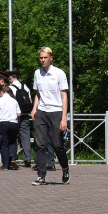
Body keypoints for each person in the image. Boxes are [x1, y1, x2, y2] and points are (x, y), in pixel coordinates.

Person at [30, 47, 70, 186]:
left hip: (56, 112)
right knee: (39, 144)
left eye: (45, 57)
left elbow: (64, 96)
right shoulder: (37, 73)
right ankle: (41, 176)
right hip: (41, 111)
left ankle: (65, 169)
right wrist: (34, 108)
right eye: (41, 58)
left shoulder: (59, 73)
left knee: (57, 144)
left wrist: (64, 118)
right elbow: (38, 94)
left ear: (51, 58)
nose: (43, 60)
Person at [7, 70, 33, 168]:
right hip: (25, 114)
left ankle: (13, 158)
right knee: (25, 136)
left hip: (14, 115)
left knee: (12, 136)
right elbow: (30, 100)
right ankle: (28, 159)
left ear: (11, 78)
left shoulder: (10, 88)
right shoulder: (25, 87)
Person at [0, 84, 21, 170]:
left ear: (1, 92)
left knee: (4, 144)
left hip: (3, 123)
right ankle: (12, 157)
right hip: (14, 123)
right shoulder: (14, 101)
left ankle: (5, 165)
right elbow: (19, 114)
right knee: (13, 141)